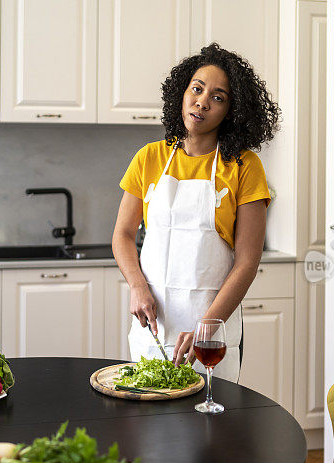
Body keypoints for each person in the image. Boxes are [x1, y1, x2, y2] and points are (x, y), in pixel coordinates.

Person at [112, 43, 280, 382]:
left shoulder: (245, 167)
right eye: (197, 89)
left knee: (210, 427)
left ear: (232, 111)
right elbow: (123, 234)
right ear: (182, 93)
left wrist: (206, 328)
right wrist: (136, 286)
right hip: (154, 328)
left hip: (211, 335)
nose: (202, 101)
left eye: (218, 97)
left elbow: (248, 260)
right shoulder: (150, 158)